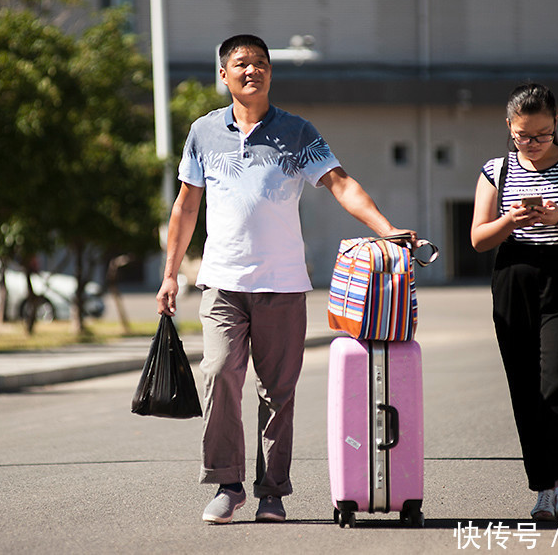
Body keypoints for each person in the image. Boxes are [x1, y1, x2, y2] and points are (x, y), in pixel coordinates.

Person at [156, 34, 415, 524]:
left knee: (277, 392)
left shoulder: (297, 132)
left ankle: (271, 492)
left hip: (282, 283)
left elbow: (339, 182)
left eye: (259, 63)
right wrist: (171, 275)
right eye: (240, 64)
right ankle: (228, 485)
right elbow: (186, 206)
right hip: (222, 283)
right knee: (218, 375)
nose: (251, 70)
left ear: (271, 72)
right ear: (223, 75)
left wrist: (386, 229)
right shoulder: (203, 132)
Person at [470, 83, 558, 522]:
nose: (531, 144)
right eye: (522, 136)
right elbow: (477, 238)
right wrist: (510, 220)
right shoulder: (496, 170)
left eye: (541, 135)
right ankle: (543, 489)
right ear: (509, 128)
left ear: (556, 125)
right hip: (514, 276)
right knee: (525, 387)